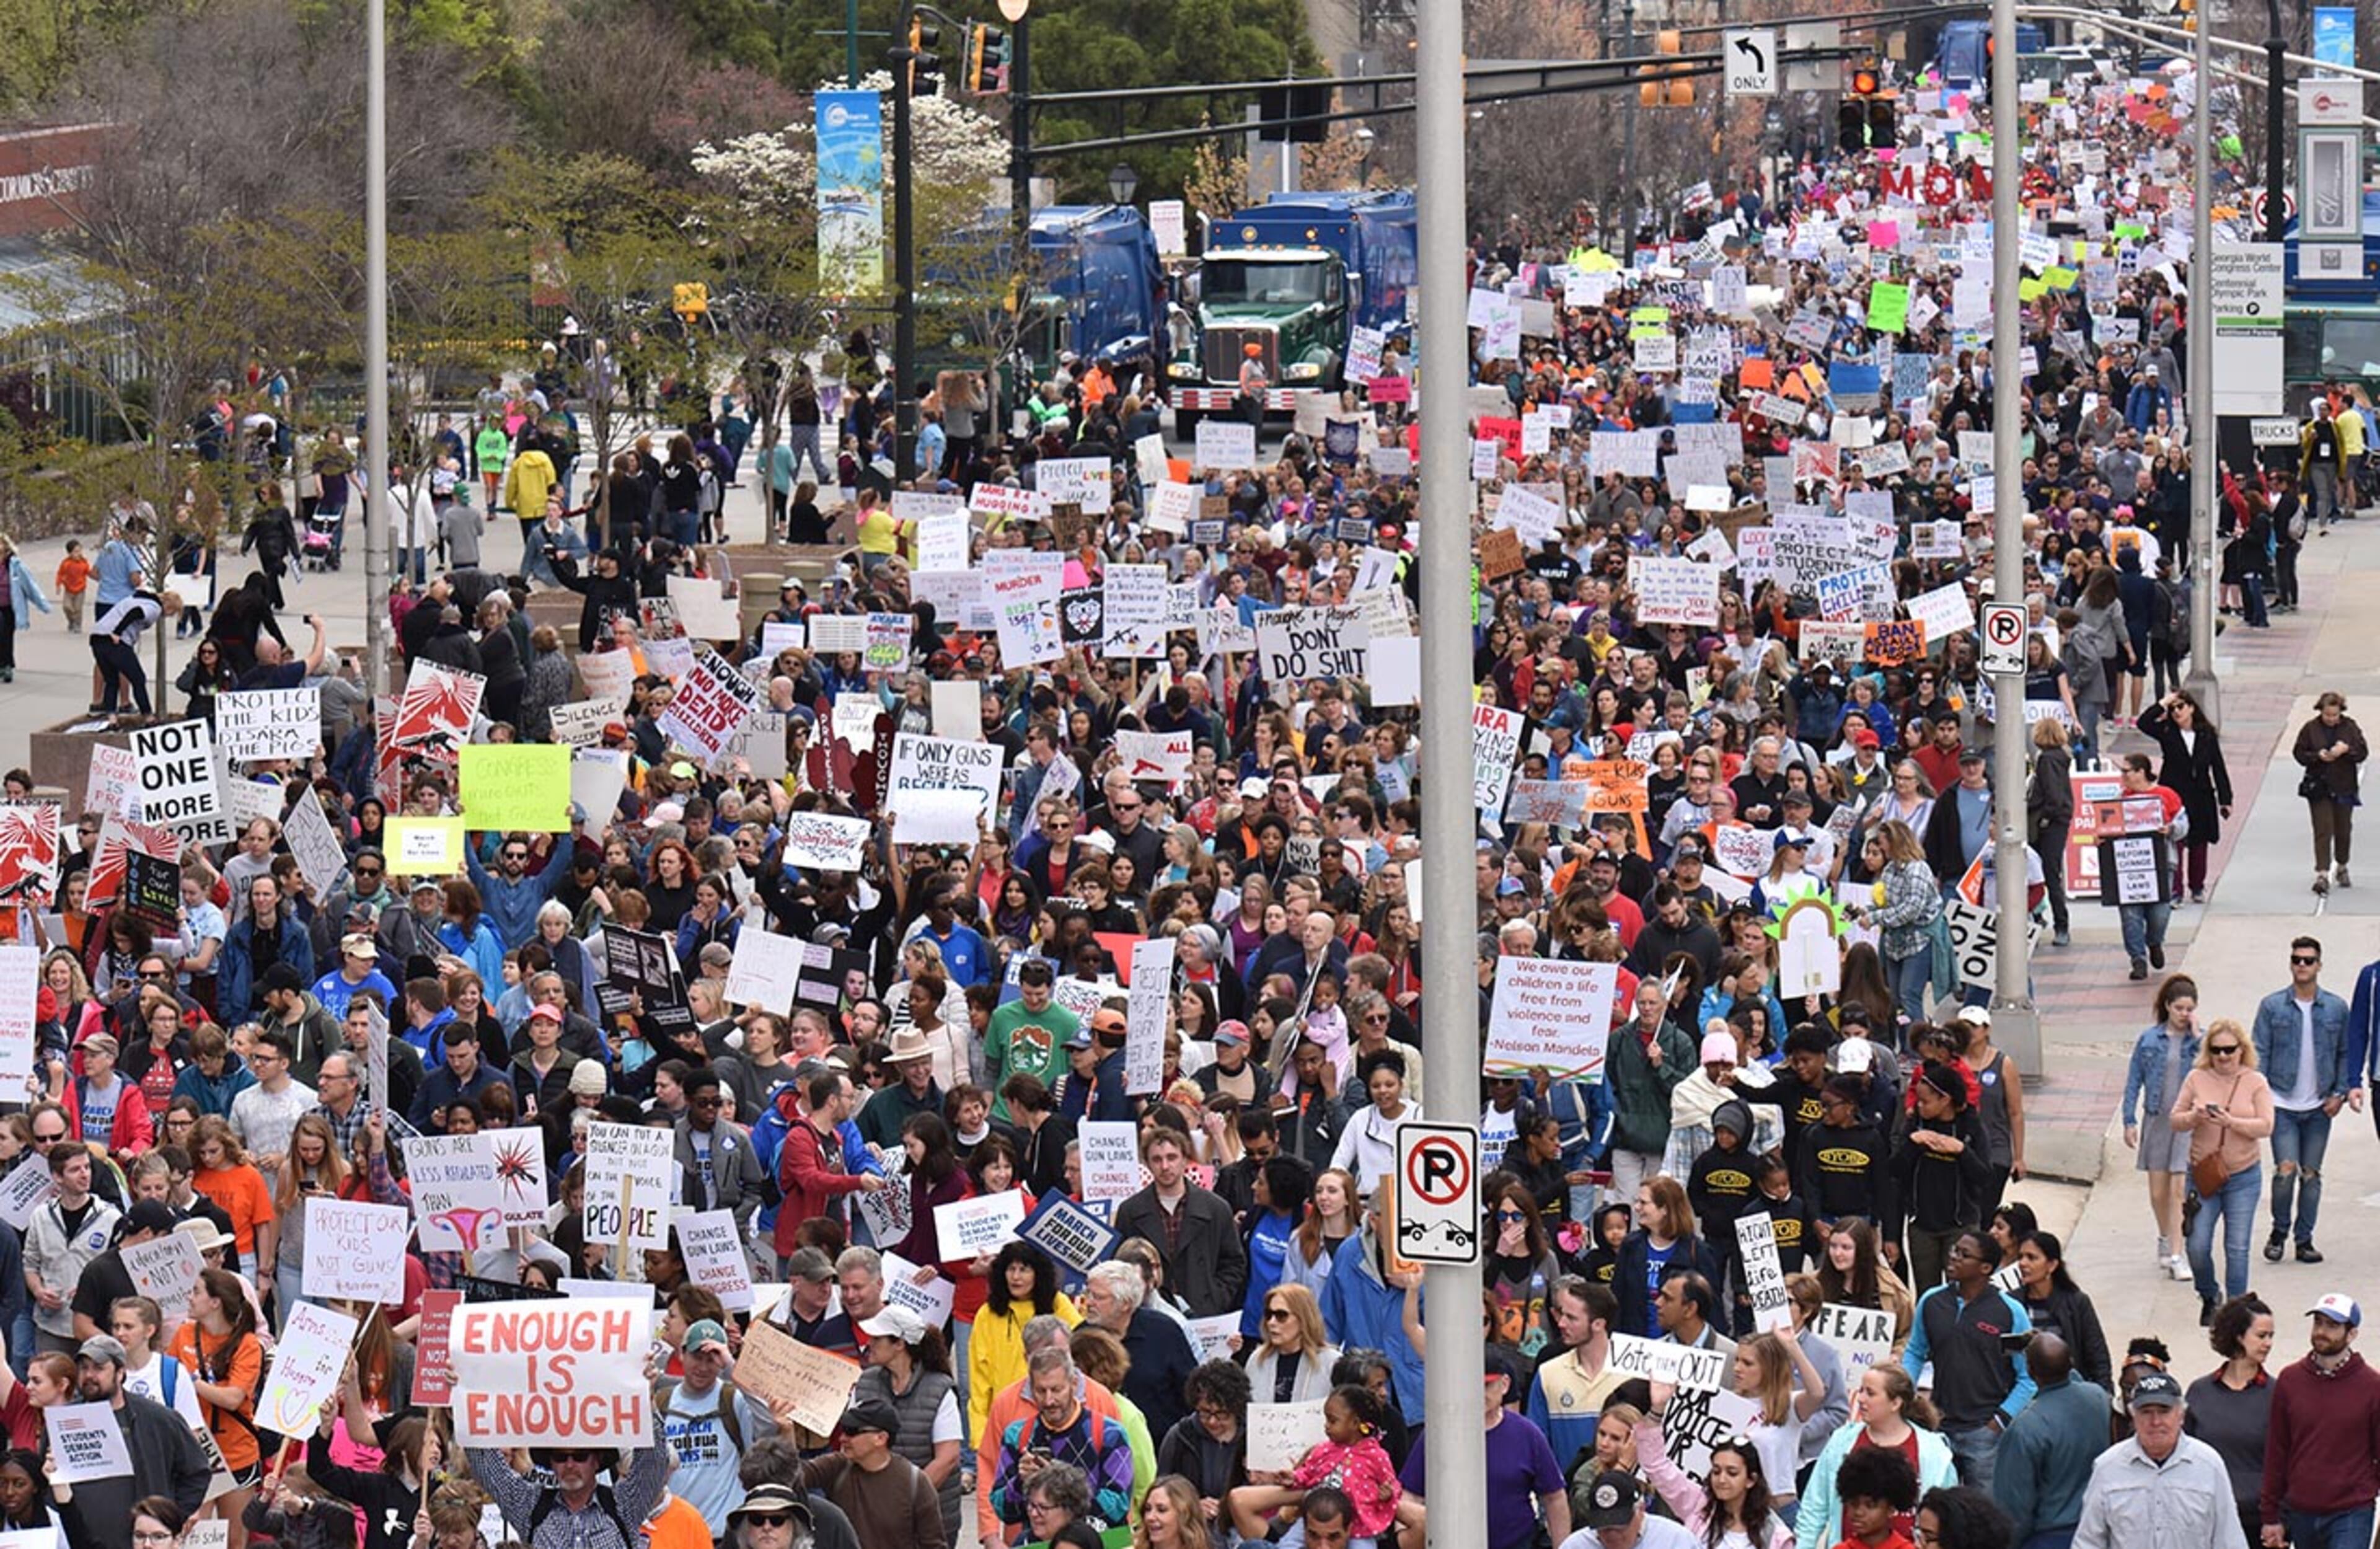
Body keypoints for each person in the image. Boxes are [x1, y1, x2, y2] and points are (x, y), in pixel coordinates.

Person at [41, 1339, 208, 1549]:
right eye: (84, 1368)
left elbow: (197, 1472)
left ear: (120, 1372)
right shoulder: (61, 1422)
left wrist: (167, 1520)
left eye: (99, 1368)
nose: (89, 1375)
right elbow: (44, 1484)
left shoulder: (160, 1419)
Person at [1399, 1346, 1570, 1549]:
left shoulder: (1527, 1434)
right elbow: (1410, 1496)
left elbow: (1554, 1498)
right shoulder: (1438, 1435)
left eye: (1487, 1385)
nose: (1479, 1393)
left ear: (1505, 1384)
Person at [1902, 1232, 2035, 1492]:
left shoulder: (2010, 1312)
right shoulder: (1932, 1301)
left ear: (1986, 1268)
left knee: (1981, 1518)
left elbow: (2027, 1377)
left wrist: (1999, 1421)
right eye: (1954, 1251)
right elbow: (1916, 1351)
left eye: (1964, 1255)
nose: (1953, 1258)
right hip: (1938, 1429)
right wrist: (1906, 1393)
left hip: (1985, 1434)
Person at [2248, 940, 2347, 1266]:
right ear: (2290, 964)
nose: (2302, 965)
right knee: (2285, 1171)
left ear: (2320, 965)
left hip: (2319, 1106)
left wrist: (2339, 1093)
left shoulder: (2335, 1008)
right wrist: (2260, 1096)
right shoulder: (2272, 1006)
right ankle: (2279, 1232)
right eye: (2297, 960)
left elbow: (2345, 1053)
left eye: (2309, 960)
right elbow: (2258, 1051)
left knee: (2311, 1175)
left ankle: (2304, 1240)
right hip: (2282, 1104)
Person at [2074, 1372, 2249, 1549]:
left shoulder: (2209, 1465)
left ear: (2181, 1415)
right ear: (2133, 1416)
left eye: (2164, 1411)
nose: (2155, 1421)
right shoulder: (2107, 1467)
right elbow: (2088, 1542)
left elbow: (2229, 1539)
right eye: (2146, 1412)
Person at [2171, 1020, 2274, 1320]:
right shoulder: (2196, 1078)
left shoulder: (2255, 1082)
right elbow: (2175, 1120)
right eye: (2217, 1051)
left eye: (2230, 1050)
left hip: (2243, 1175)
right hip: (2204, 1175)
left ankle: (2236, 1312)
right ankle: (2209, 1293)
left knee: (2237, 1248)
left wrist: (2232, 1122)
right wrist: (2195, 1116)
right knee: (2198, 1244)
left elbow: (2267, 1125)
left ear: (2242, 1050)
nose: (2224, 1057)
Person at [2259, 1294, 2380, 1549]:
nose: (2322, 1332)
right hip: (2302, 1508)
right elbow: (2277, 1450)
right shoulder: (2290, 1380)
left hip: (2352, 1511)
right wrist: (2271, 1515)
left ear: (2352, 1334)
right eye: (2318, 1323)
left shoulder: (2372, 1386)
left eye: (2332, 1326)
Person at [1799, 1365, 1959, 1549]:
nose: (1860, 1399)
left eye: (1871, 1393)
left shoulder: (1934, 1451)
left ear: (1895, 1403)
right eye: (1861, 1390)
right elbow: (1814, 1508)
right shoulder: (1842, 1441)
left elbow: (1947, 1519)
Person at [466, 1406, 671, 1549]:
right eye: (561, 1457)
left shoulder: (623, 1504)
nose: (570, 1465)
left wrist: (646, 1401)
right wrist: (467, 1397)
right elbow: (486, 1463)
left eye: (580, 1456)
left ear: (597, 1461)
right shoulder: (530, 1506)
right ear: (551, 1463)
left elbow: (654, 1462)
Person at [1636, 1385, 1793, 1549]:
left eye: (1732, 1473)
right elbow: (1656, 1466)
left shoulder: (1775, 1535)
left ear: (1751, 1480)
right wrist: (1657, 1410)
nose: (1722, 1479)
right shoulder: (1699, 1505)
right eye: (1716, 1471)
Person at [1991, 1333, 2109, 1549]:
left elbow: (2013, 1508)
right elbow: (2072, 1379)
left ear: (2030, 1371)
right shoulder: (2098, 1398)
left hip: (2049, 1537)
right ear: (2070, 1363)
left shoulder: (2025, 1429)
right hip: (2097, 1530)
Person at [2125, 975, 2204, 1282]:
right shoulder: (2149, 1040)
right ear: (2168, 1007)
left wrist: (2197, 1035)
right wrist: (2129, 1120)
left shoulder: (2202, 1040)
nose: (2185, 1014)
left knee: (2178, 1190)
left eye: (2190, 1008)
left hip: (2187, 1122)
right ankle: (2164, 1235)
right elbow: (2134, 1081)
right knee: (2158, 1191)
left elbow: (2210, 1065)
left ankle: (2176, 1253)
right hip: (2157, 1120)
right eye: (2180, 1008)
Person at [2185, 1294, 2276, 1549]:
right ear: (2238, 1335)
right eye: (2261, 1336)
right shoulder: (2200, 1392)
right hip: (2207, 1521)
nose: (2268, 1343)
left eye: (2271, 1336)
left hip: (2260, 1524)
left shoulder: (2278, 1395)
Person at [798, 1397, 946, 1549]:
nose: (843, 1438)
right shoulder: (837, 1466)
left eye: (852, 1432)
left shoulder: (915, 1482)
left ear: (881, 1438)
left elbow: (934, 1544)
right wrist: (785, 1432)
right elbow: (791, 1477)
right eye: (844, 1430)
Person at [2292, 693, 2366, 896]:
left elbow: (2362, 752)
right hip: (2320, 786)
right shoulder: (2311, 729)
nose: (2331, 719)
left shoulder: (2350, 727)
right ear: (2321, 711)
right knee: (2323, 828)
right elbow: (2299, 753)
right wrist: (2317, 756)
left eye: (2335, 715)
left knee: (2343, 829)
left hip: (2344, 785)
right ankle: (2323, 872)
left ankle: (2342, 864)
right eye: (2327, 715)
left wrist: (2347, 750)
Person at [1563, 1472, 1699, 1549]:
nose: (1612, 1535)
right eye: (1603, 1527)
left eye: (1620, 1526)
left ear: (1640, 1509)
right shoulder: (1575, 1546)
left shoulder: (1676, 1541)